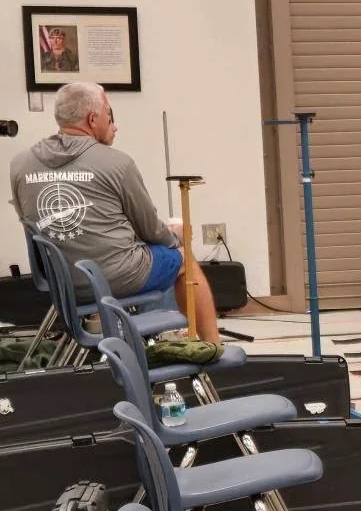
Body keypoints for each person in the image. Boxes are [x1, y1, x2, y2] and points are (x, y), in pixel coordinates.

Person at [9, 79, 219, 340]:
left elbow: (28, 220)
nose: (112, 121)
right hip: (113, 277)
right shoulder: (117, 163)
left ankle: (147, 336)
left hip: (61, 282)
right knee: (180, 257)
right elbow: (151, 231)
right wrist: (177, 236)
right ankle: (211, 345)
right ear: (93, 118)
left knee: (149, 255)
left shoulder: (20, 164)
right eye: (109, 113)